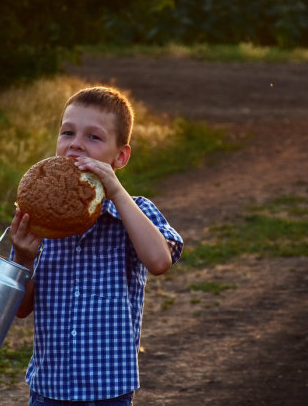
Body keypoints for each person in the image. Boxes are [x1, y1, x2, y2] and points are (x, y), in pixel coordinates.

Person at [10, 86, 183, 405]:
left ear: (120, 157)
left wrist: (116, 192)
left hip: (109, 391)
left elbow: (159, 261)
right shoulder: (41, 220)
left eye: (94, 137)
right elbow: (20, 309)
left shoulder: (134, 212)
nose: (76, 143)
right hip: (50, 390)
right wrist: (23, 257)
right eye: (67, 133)